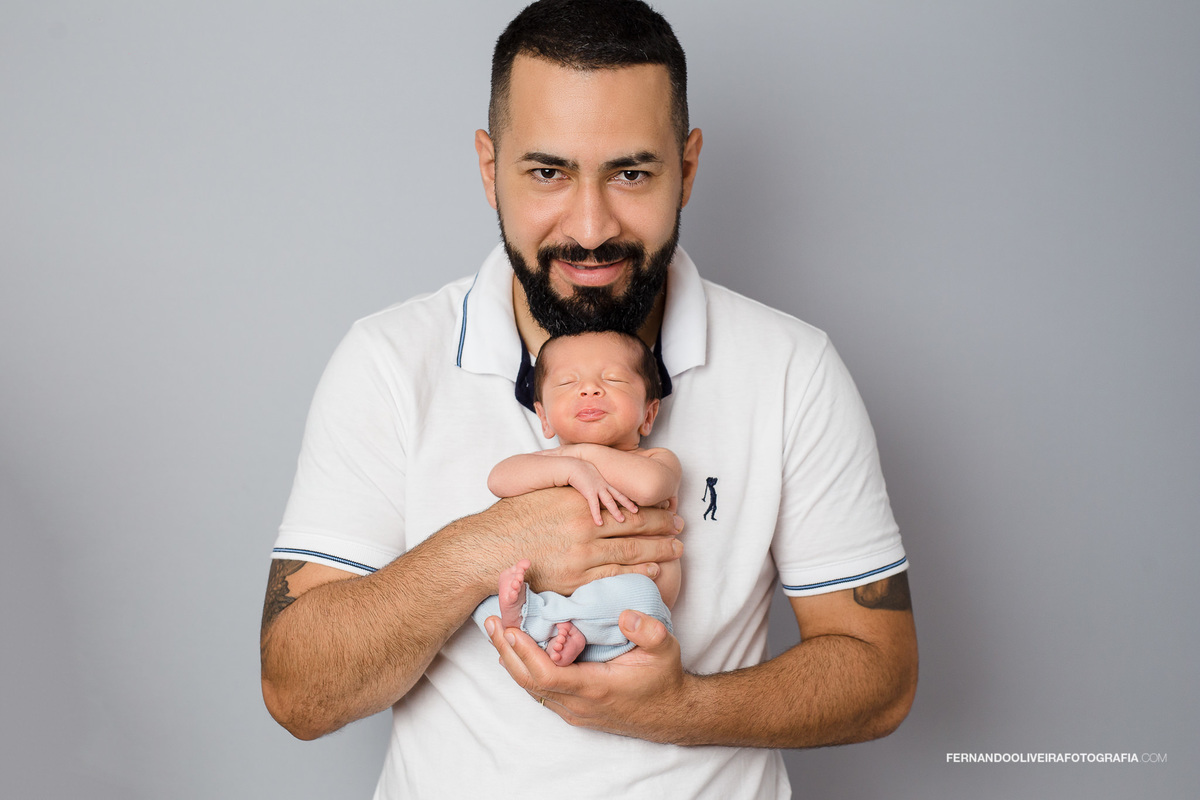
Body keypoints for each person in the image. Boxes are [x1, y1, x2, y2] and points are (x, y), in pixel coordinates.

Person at [260, 1, 917, 797]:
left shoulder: (792, 368)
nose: (592, 226)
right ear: (488, 167)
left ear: (689, 166)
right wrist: (492, 545)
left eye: (631, 172)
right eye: (548, 171)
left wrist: (680, 708)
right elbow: (298, 691)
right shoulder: (389, 362)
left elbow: (881, 676)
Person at [473, 330, 683, 665]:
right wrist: (570, 469)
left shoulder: (655, 459)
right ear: (544, 417)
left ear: (648, 414)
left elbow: (649, 487)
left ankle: (564, 626)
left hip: (626, 623)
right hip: (555, 612)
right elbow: (498, 478)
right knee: (479, 597)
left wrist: (582, 455)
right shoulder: (551, 465)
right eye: (568, 382)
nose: (589, 388)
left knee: (642, 593)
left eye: (613, 379)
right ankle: (539, 621)